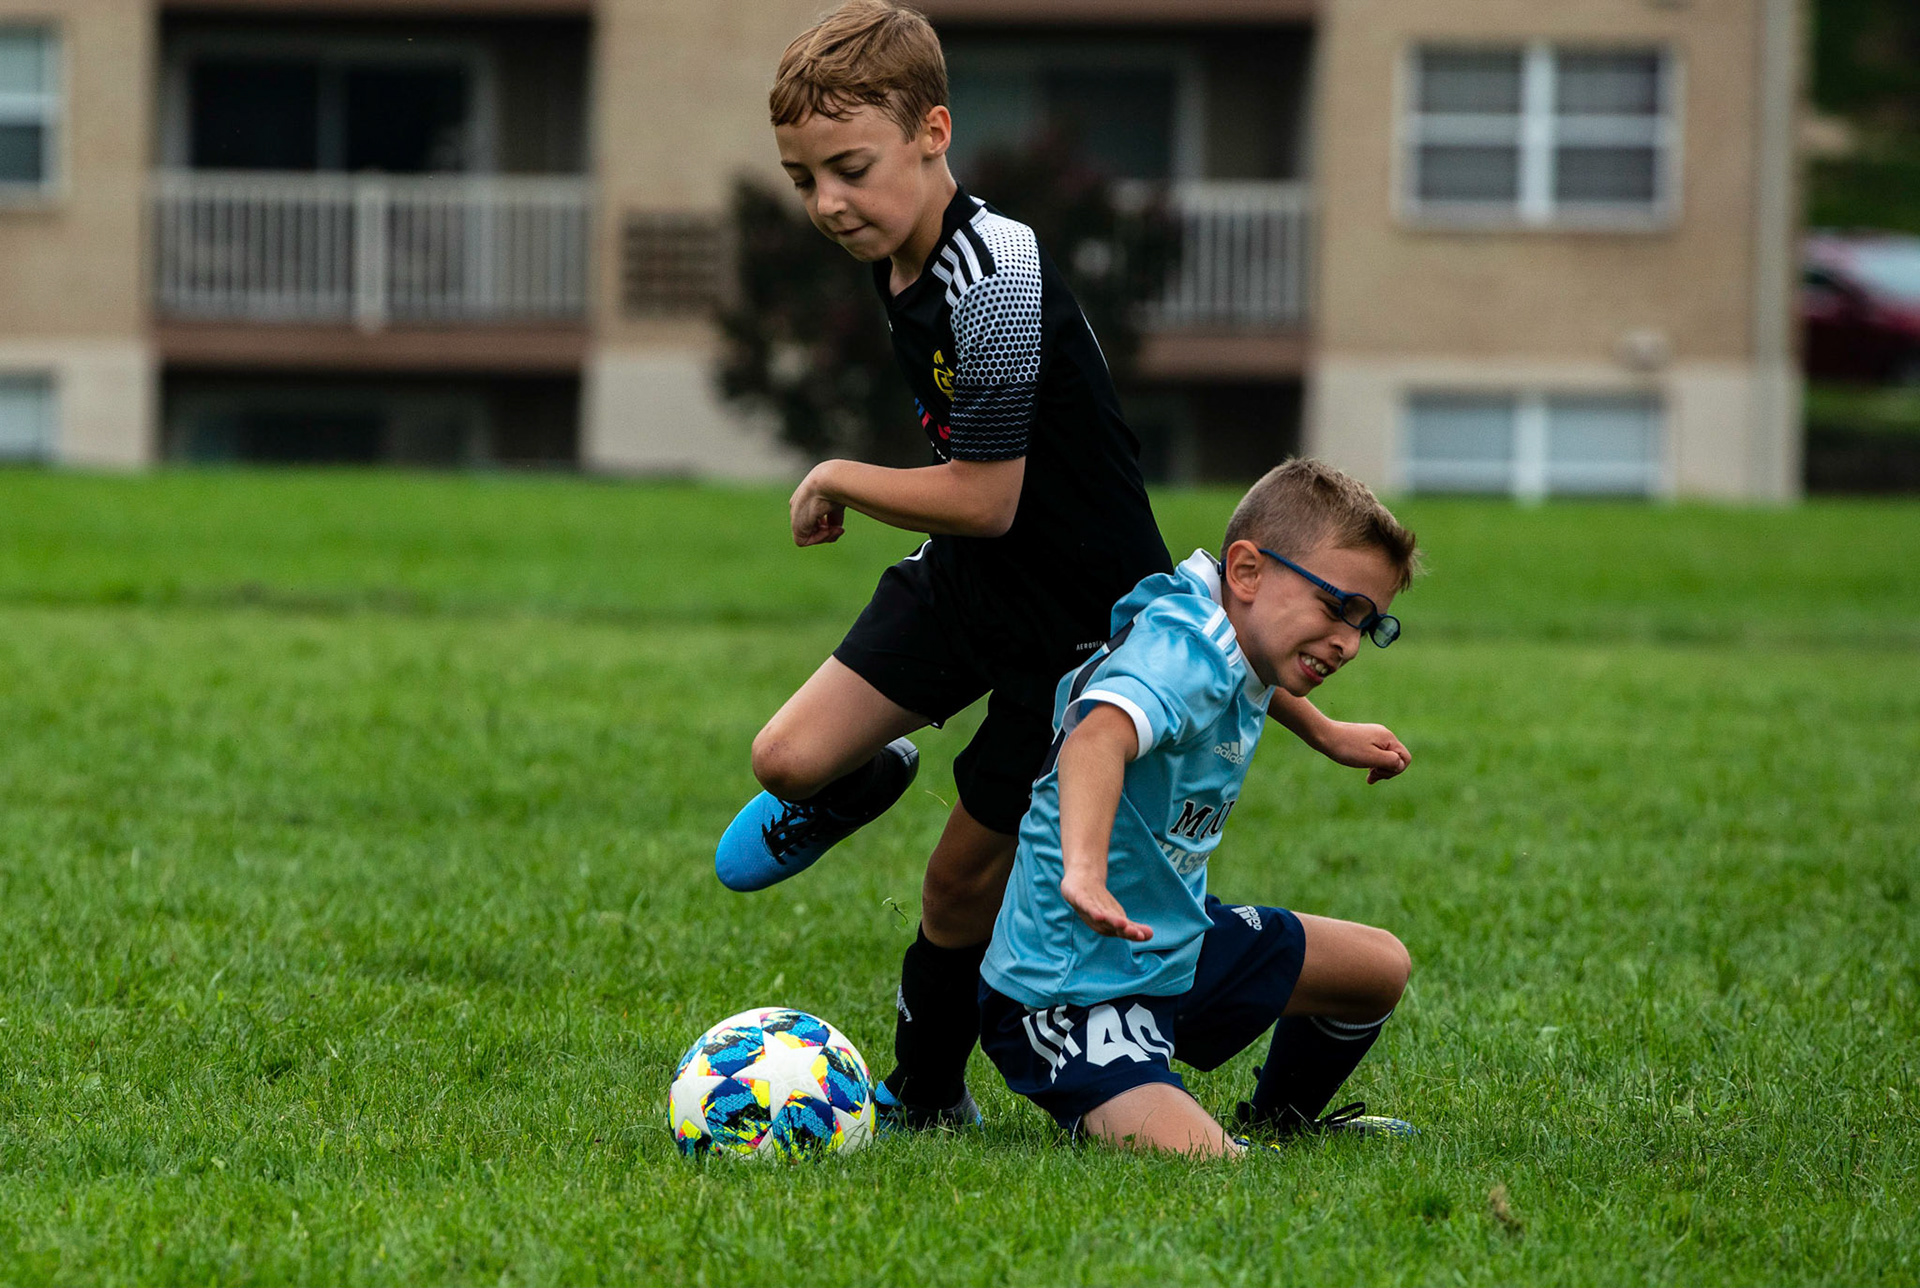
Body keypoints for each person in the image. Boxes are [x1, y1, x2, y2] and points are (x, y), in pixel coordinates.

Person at [714, 0, 1403, 1131]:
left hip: (1077, 629)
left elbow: (991, 498)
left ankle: (925, 1096)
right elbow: (981, 521)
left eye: (849, 170)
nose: (828, 202)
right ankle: (869, 774)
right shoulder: (897, 253)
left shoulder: (994, 273)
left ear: (933, 133)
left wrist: (837, 473)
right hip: (971, 579)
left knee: (957, 884)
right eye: (804, 181)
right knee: (783, 760)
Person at [978, 459, 1422, 1155]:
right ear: (1246, 571)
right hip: (1075, 987)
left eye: (1369, 625)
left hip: (1172, 945)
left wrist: (1327, 733)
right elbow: (1097, 734)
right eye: (1338, 608)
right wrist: (1083, 871)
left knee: (1378, 970)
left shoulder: (1228, 622)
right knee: (1216, 1167)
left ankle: (1282, 1120)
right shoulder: (1183, 650)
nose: (1347, 643)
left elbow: (1249, 672)